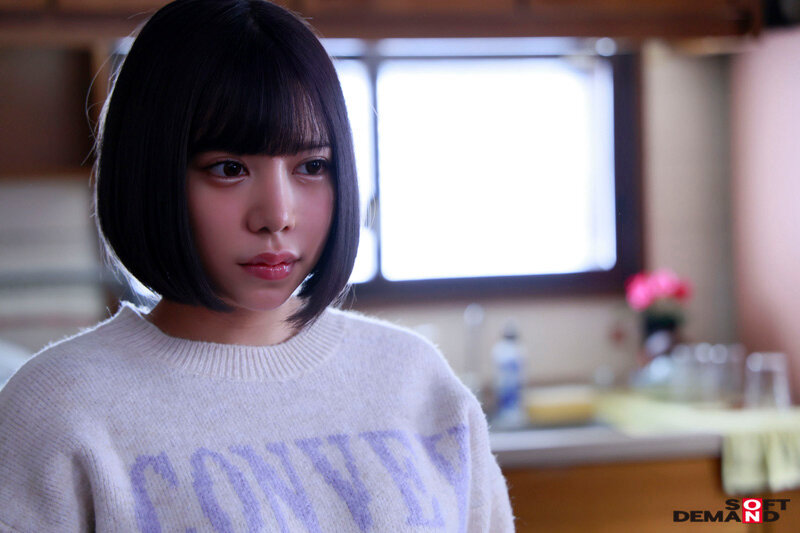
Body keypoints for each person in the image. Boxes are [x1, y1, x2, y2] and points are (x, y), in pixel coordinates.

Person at [0, 1, 515, 531]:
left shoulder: (416, 380)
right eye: (229, 168)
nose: (277, 215)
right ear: (150, 174)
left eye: (311, 166)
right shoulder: (57, 410)